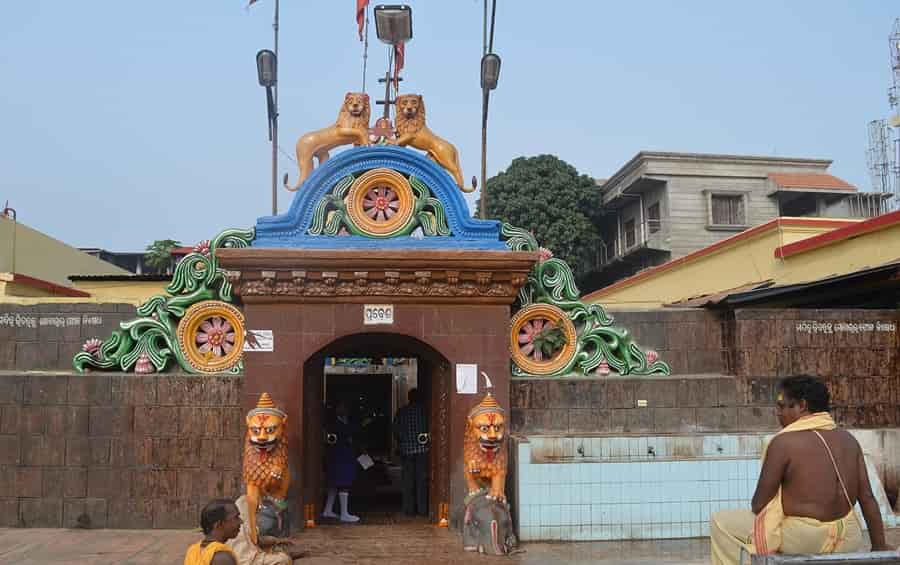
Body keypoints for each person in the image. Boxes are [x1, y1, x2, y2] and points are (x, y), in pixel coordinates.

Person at [710, 375, 894, 563]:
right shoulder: (848, 440)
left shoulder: (783, 442)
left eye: (782, 406)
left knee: (720, 522)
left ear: (803, 406)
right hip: (848, 536)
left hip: (804, 538)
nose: (777, 412)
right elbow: (868, 498)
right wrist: (879, 546)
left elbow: (758, 505)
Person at [226, 495, 307, 564]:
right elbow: (255, 542)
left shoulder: (245, 520)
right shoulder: (241, 524)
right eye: (256, 509)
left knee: (275, 552)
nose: (257, 512)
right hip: (245, 560)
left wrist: (277, 540)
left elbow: (256, 539)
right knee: (284, 559)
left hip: (248, 554)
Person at [322, 398, 361, 523]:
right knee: (342, 482)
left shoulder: (347, 421)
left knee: (336, 482)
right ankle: (344, 513)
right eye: (342, 407)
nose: (345, 410)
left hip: (346, 454)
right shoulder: (333, 423)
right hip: (338, 455)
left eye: (346, 407)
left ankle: (328, 510)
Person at [393, 388, 429, 516]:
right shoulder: (425, 411)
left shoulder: (402, 412)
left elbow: (395, 429)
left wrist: (401, 442)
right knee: (422, 480)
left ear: (409, 398)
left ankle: (408, 509)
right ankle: (422, 509)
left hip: (406, 450)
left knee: (408, 481)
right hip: (422, 450)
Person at [184, 499, 241, 565]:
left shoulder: (192, 551)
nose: (241, 521)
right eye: (236, 517)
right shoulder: (222, 558)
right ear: (219, 525)